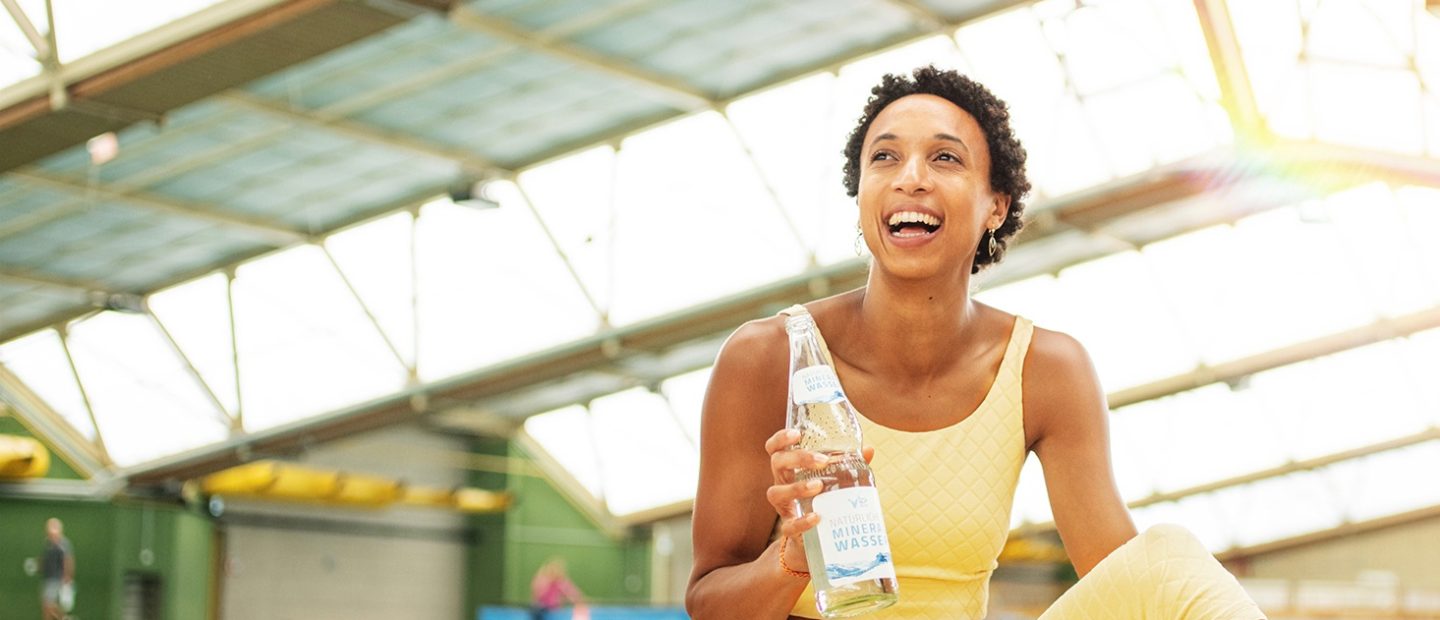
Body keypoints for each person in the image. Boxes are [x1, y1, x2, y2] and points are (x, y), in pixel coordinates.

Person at [685, 66, 1264, 619]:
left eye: (945, 158)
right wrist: (793, 555)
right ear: (861, 195)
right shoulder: (769, 356)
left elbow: (1124, 580)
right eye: (884, 157)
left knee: (1166, 557)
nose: (910, 176)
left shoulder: (1046, 369)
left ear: (996, 206)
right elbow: (709, 606)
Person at [40, 518, 74, 620]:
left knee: (48, 604)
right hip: (48, 578)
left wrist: (67, 577)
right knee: (46, 607)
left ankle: (64, 617)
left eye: (53, 531)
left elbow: (68, 561)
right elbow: (46, 559)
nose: (51, 534)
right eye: (49, 531)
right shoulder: (47, 543)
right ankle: (63, 618)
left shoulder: (64, 544)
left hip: (58, 579)